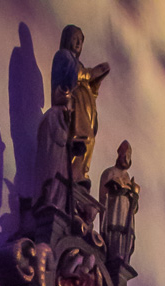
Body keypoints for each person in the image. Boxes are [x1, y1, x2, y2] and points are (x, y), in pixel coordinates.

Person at [51, 26, 110, 183]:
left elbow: (90, 90)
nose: (78, 43)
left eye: (80, 40)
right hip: (70, 101)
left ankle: (81, 173)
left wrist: (96, 81)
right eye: (74, 38)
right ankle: (75, 149)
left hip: (86, 113)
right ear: (66, 39)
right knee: (81, 133)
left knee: (90, 140)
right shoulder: (63, 56)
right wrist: (91, 73)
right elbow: (74, 75)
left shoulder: (79, 63)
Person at [99, 141, 140, 264]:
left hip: (126, 219)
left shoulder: (129, 179)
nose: (126, 158)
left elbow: (134, 208)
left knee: (125, 238)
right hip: (114, 215)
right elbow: (103, 199)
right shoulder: (109, 173)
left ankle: (124, 257)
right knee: (114, 235)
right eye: (124, 155)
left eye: (128, 156)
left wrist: (134, 197)